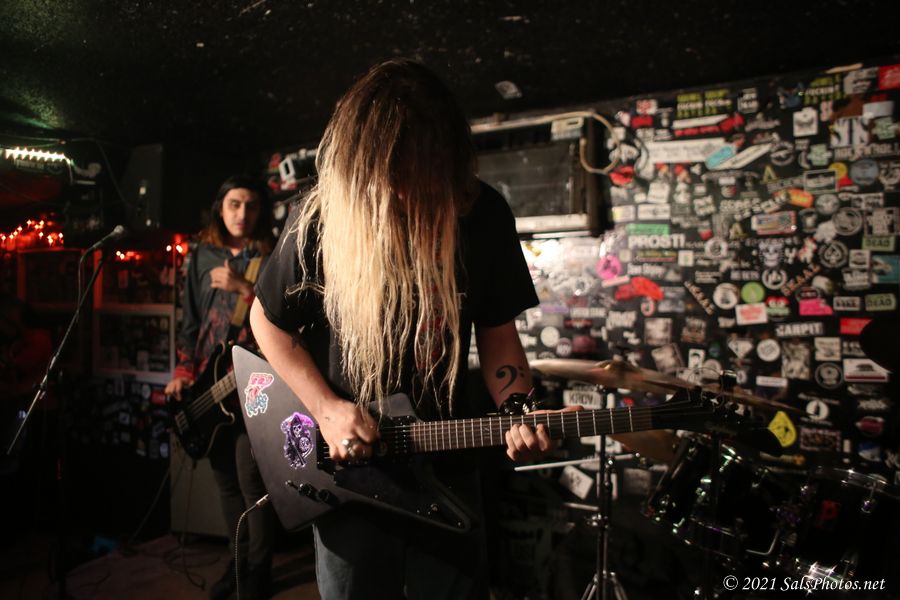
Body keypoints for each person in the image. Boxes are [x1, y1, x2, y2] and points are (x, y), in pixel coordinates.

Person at [250, 59, 578, 600]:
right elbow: (266, 321)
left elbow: (498, 334)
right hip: (350, 469)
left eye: (420, 175)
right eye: (390, 178)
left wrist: (518, 410)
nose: (404, 193)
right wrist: (326, 410)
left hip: (446, 462)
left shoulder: (482, 214)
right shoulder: (321, 217)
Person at [164, 174, 276, 600]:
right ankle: (238, 563)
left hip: (252, 381)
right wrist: (183, 371)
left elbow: (283, 316)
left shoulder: (269, 254)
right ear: (220, 207)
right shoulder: (201, 254)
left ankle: (259, 570)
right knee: (225, 480)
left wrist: (244, 288)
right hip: (209, 385)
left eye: (250, 205)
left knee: (251, 480)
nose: (242, 213)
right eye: (234, 204)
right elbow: (190, 319)